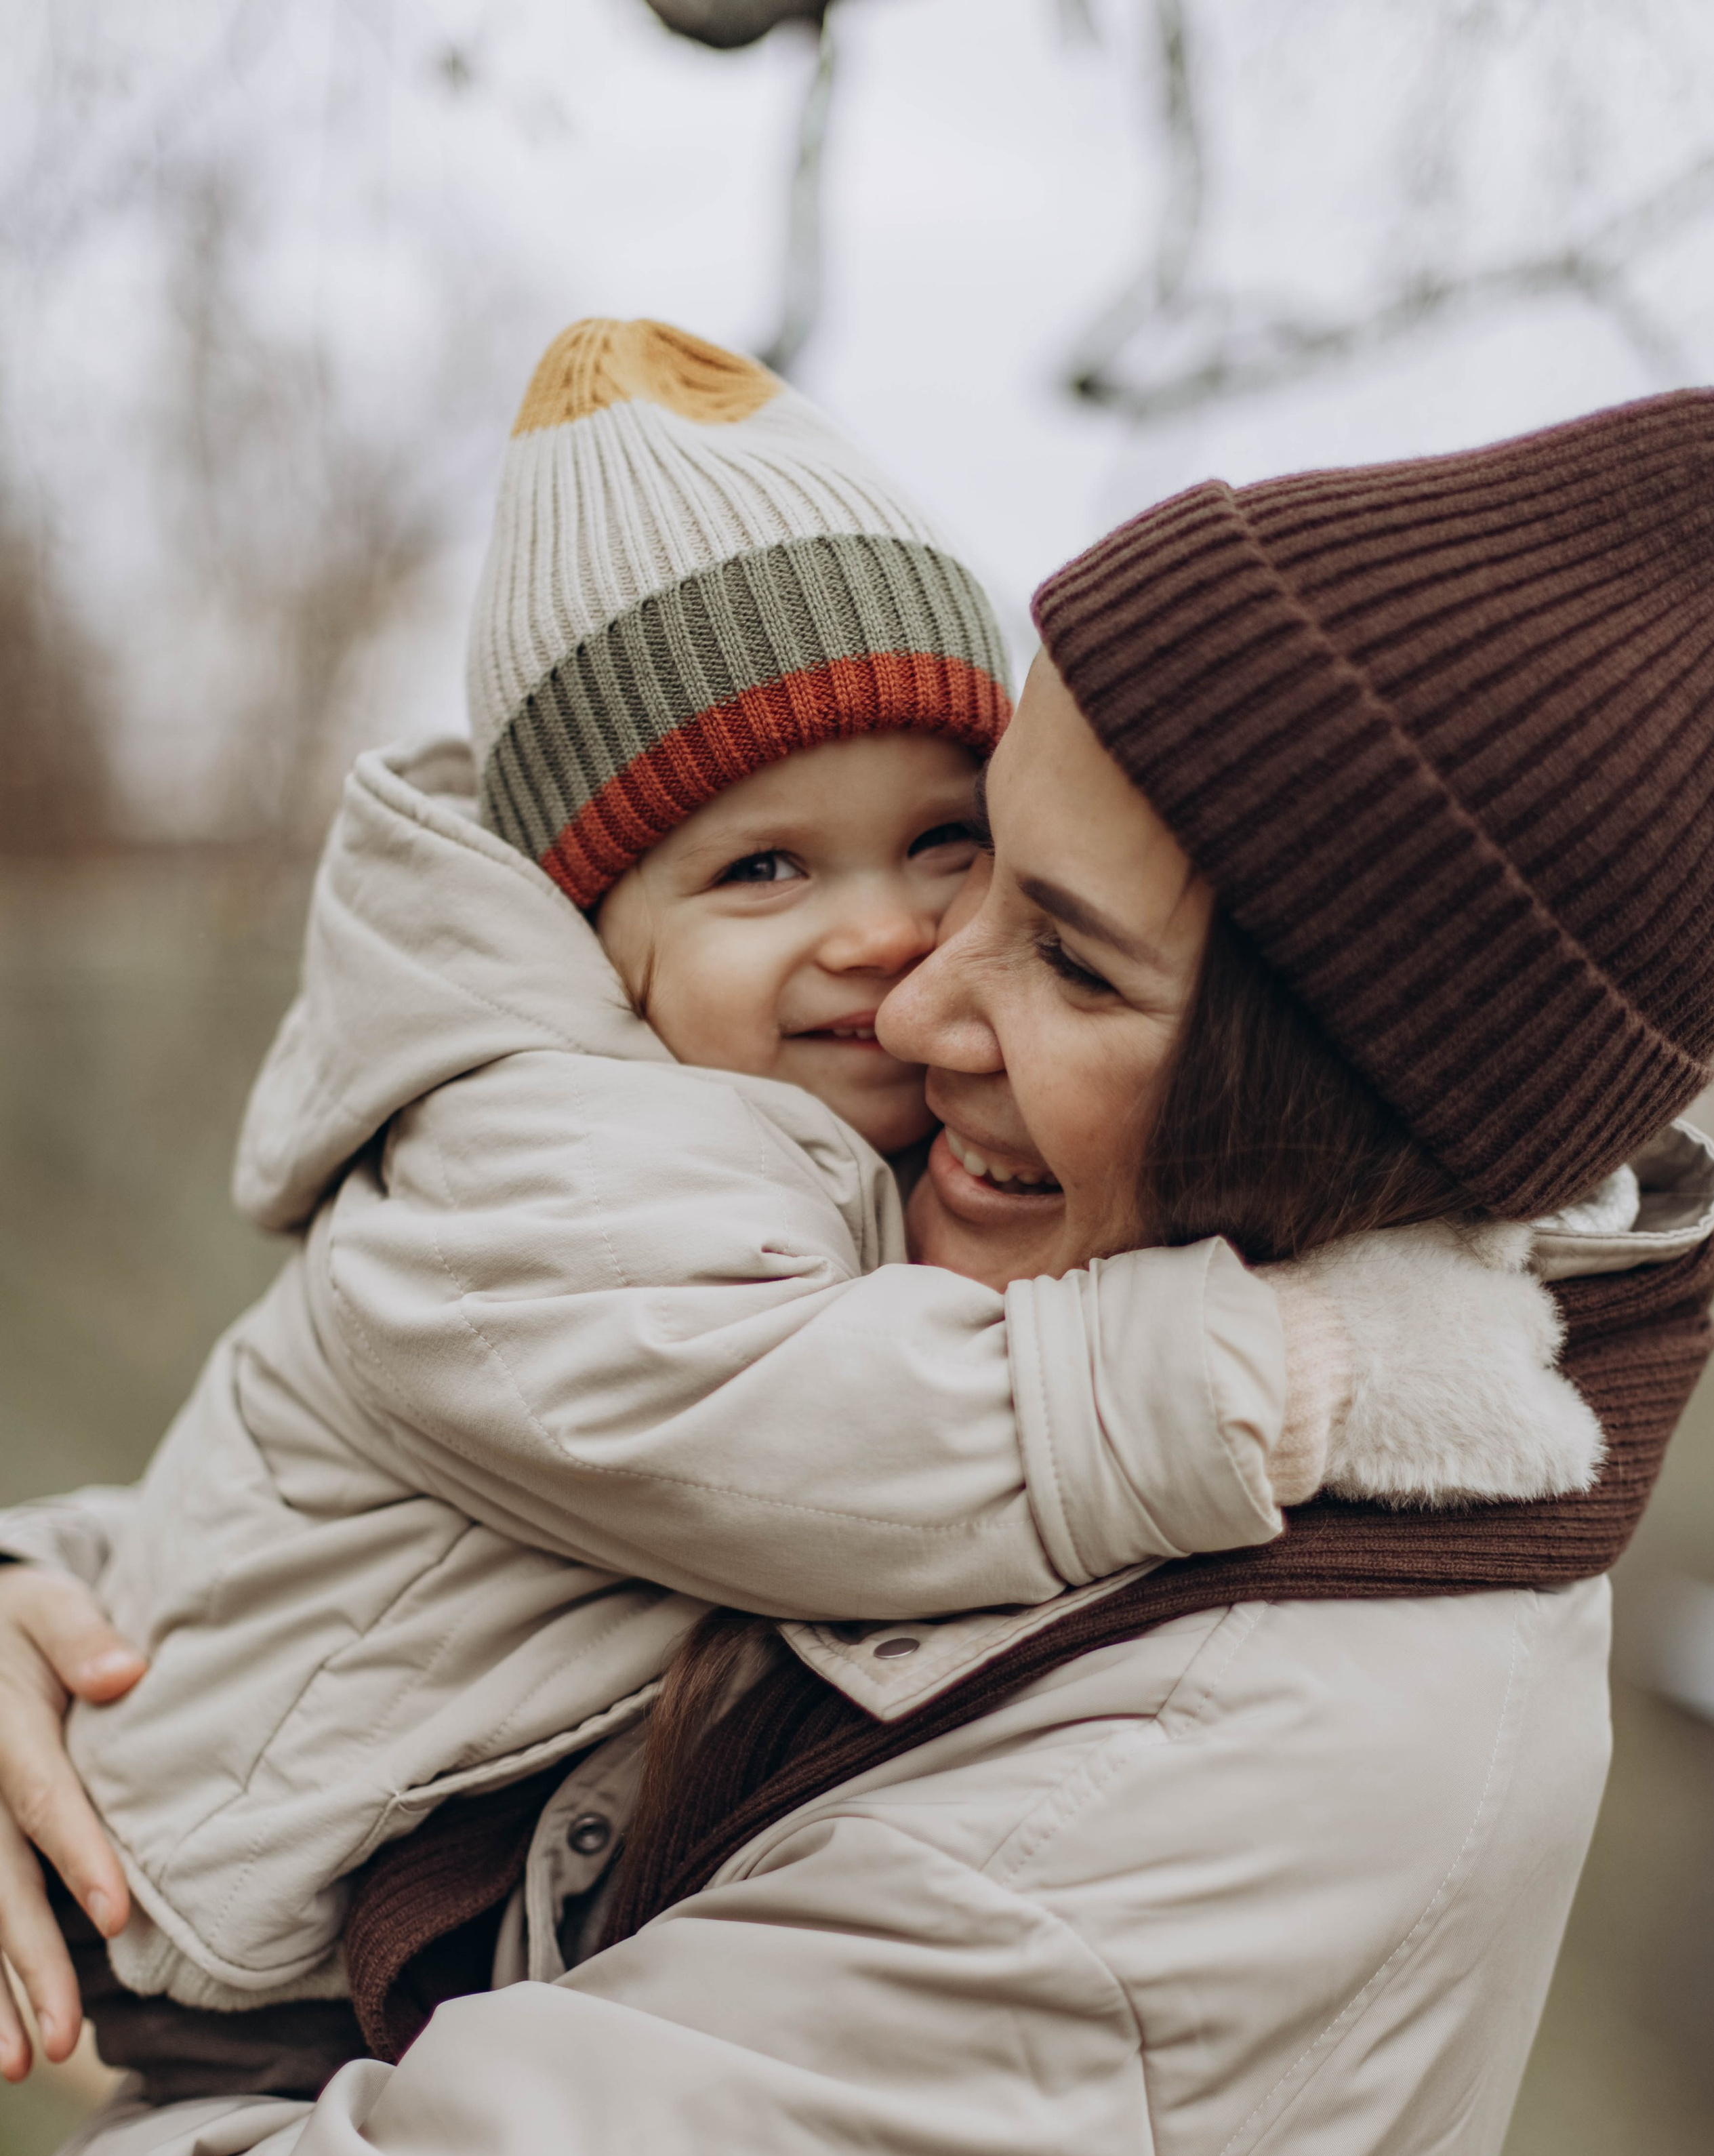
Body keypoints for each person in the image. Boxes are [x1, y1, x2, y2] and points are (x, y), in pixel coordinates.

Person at [1, 388, 1714, 2156]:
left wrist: (172, 2116)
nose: (921, 992)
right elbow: (452, 1498)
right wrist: (57, 1611)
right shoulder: (1154, 1330)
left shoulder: (1166, 1785)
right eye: (982, 856)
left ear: (1321, 1096)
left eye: (1059, 946)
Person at [0, 318, 1579, 2060]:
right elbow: (815, 1440)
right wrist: (1284, 1371)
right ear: (593, 931)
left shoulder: (767, 1101)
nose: (884, 933)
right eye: (763, 866)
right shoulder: (555, 1160)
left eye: (942, 840)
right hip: (230, 1931)